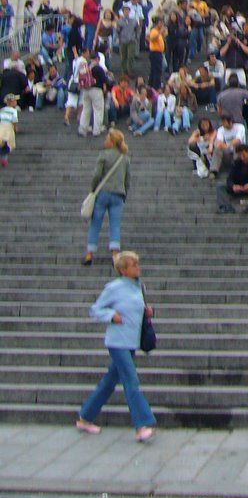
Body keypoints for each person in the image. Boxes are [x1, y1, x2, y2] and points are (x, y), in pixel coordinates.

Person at [76, 250, 156, 442]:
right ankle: (141, 424)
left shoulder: (138, 287)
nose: (138, 268)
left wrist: (147, 313)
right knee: (131, 380)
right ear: (123, 269)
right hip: (117, 341)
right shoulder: (114, 288)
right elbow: (95, 309)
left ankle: (85, 418)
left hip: (131, 341)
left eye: (137, 264)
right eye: (133, 265)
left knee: (109, 382)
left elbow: (135, 309)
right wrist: (112, 316)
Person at [82, 128, 131, 267]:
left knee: (95, 223)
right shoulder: (125, 158)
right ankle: (115, 255)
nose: (105, 141)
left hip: (103, 193)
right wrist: (124, 194)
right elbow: (127, 180)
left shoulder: (103, 155)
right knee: (115, 225)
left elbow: (97, 175)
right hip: (118, 195)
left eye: (106, 139)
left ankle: (89, 253)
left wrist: (93, 189)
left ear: (112, 141)